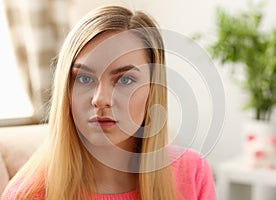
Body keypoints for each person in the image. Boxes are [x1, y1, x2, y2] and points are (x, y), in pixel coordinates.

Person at [1, 5, 216, 200]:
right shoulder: (27, 194)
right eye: (84, 79)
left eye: (125, 80)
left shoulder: (192, 173)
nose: (100, 99)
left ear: (152, 89)